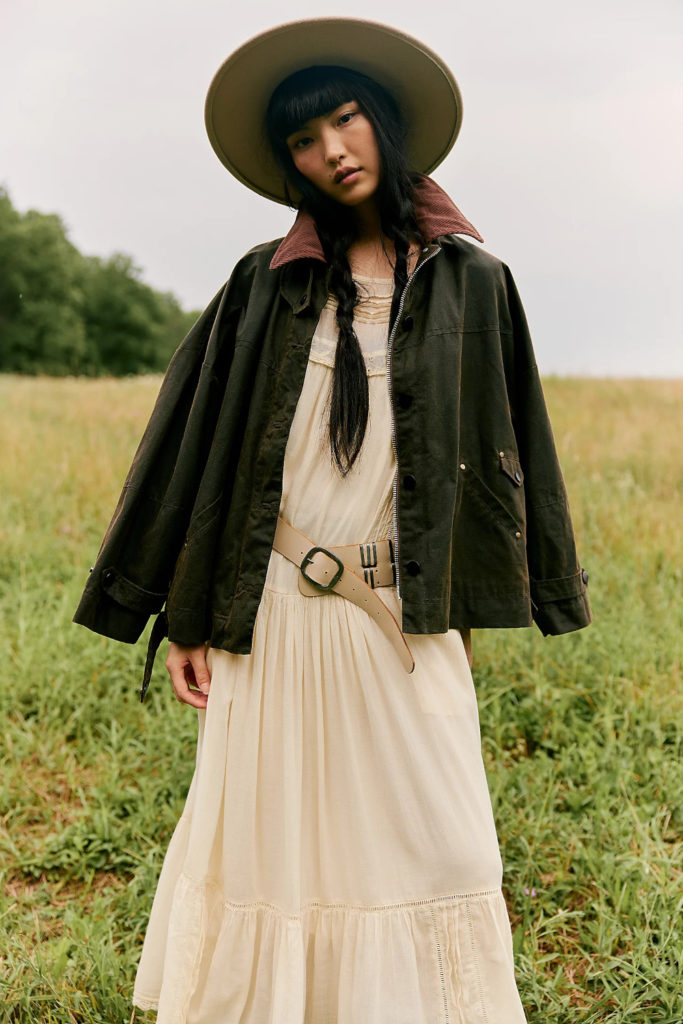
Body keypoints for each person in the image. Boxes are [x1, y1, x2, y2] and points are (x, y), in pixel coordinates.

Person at [74, 17, 592, 1023]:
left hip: (398, 620)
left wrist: (503, 590)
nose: (332, 152)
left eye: (345, 120)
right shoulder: (263, 283)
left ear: (384, 121)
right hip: (267, 615)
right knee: (272, 852)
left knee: (444, 844)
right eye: (306, 139)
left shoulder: (471, 284)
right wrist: (181, 611)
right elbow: (193, 447)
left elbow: (512, 452)